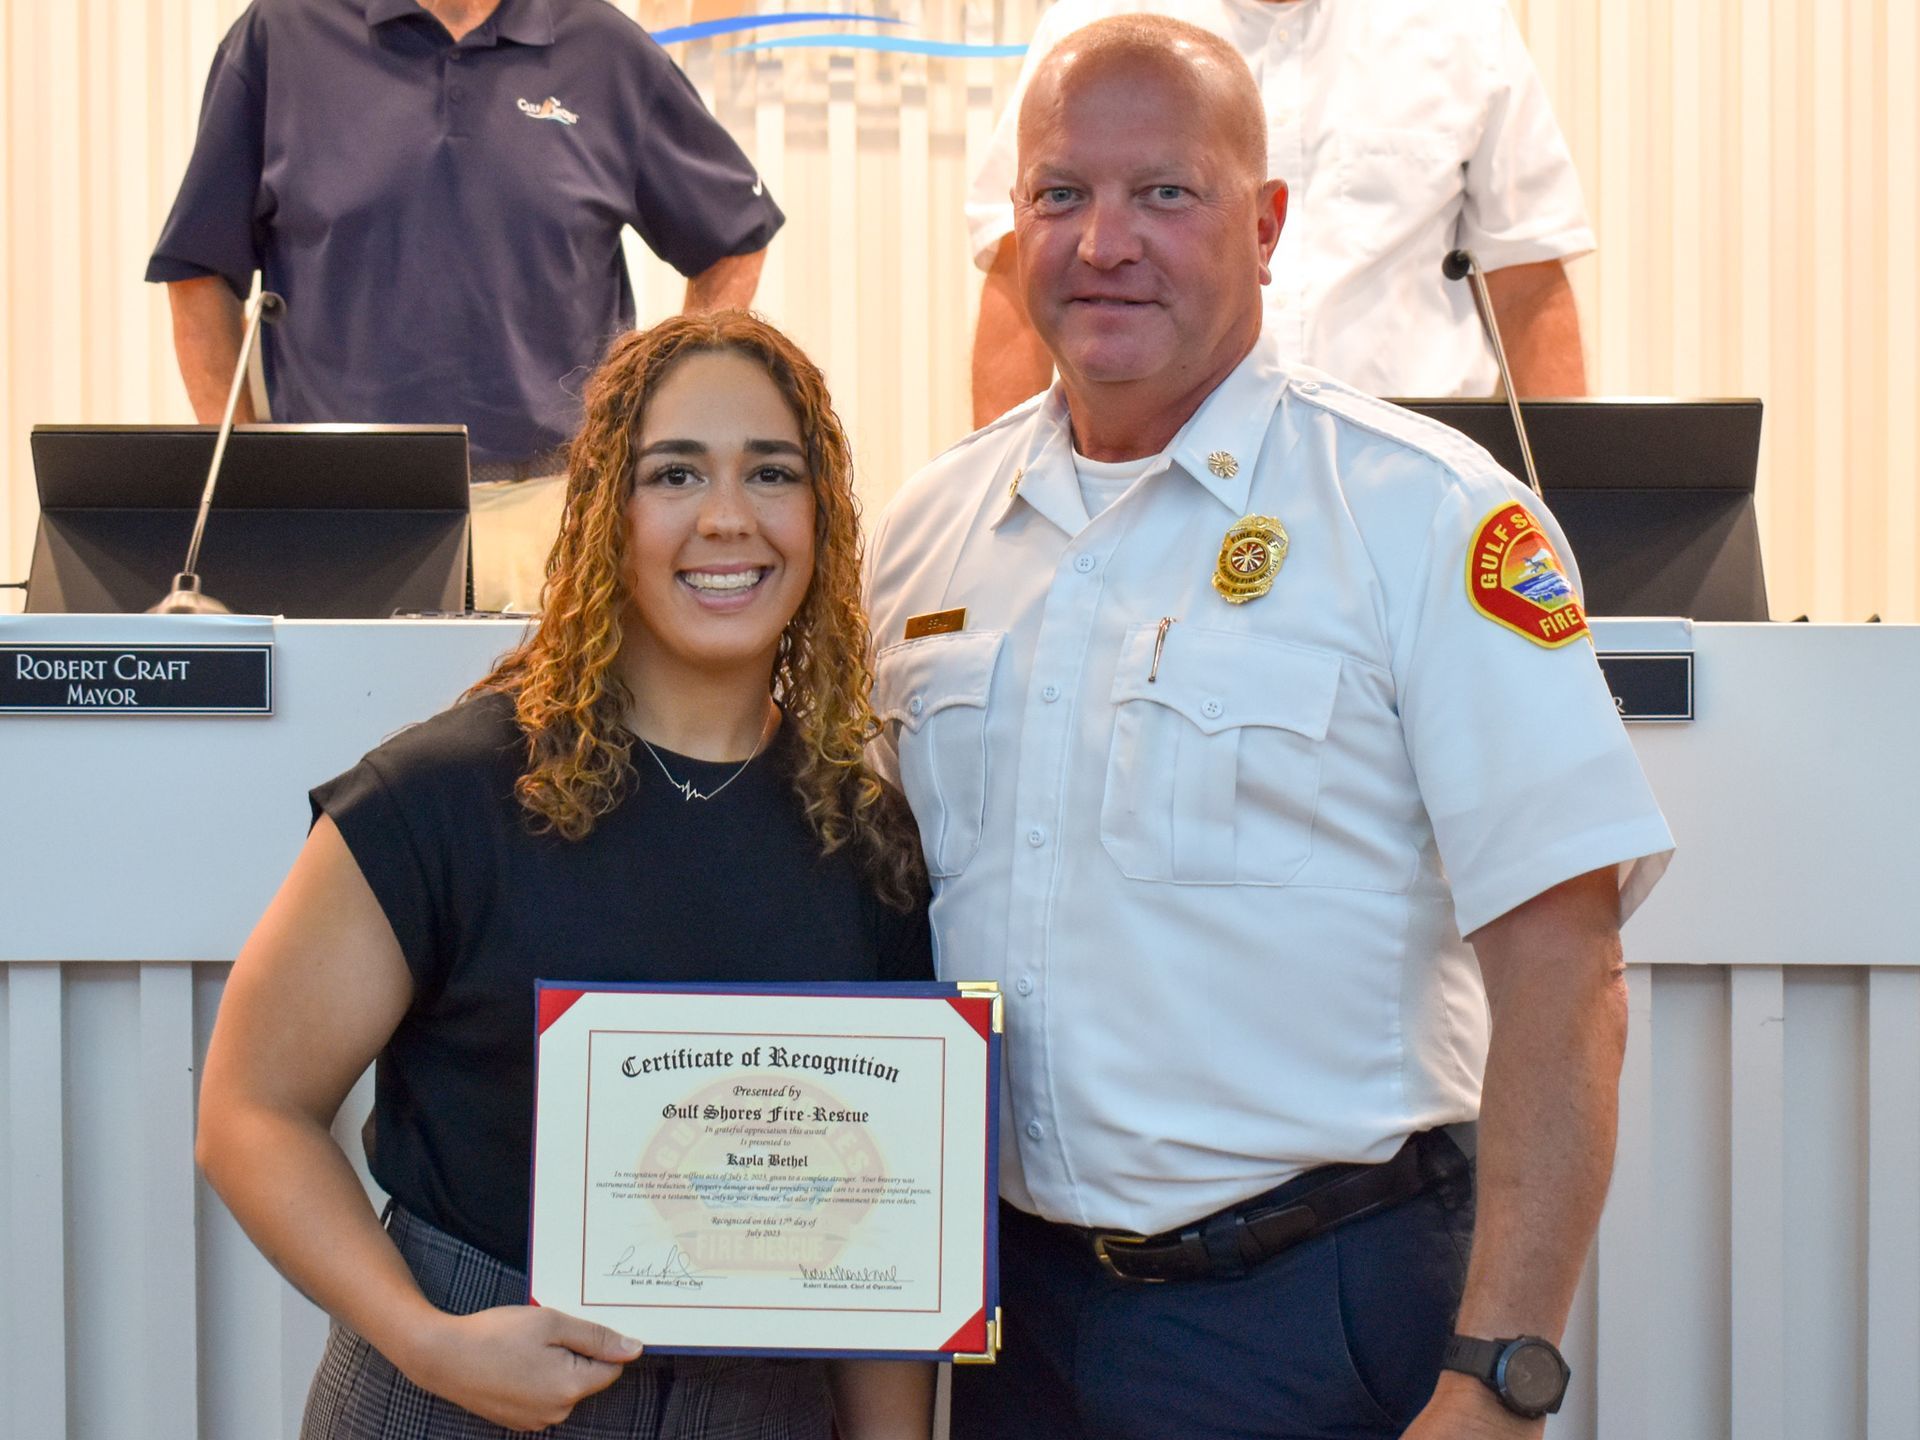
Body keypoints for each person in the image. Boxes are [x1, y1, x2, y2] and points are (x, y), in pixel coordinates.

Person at [865, 18, 1672, 1439]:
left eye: (1164, 193)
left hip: (1319, 1315)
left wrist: (1499, 1380)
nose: (1104, 241)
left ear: (1268, 223)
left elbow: (1567, 965)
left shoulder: (1425, 514)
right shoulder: (929, 538)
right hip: (1014, 1328)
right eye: (1061, 195)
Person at [197, 311, 935, 1439]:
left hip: (758, 1408)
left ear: (822, 517)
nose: (727, 518)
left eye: (771, 473)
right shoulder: (444, 796)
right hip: (458, 1390)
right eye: (674, 473)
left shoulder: (865, 835)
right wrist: (427, 1339)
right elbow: (251, 1109)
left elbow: (885, 1234)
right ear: (605, 514)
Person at [147, 0, 784, 612]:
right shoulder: (282, 36)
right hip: (334, 515)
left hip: (554, 512)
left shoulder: (604, 49)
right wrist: (251, 476)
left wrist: (657, 417)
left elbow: (731, 241)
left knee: (551, 727)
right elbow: (202, 273)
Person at [968, 0, 1592, 426]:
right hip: (1150, 477)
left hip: (1407, 482)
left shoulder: (1462, 25)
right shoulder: (1095, 22)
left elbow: (1525, 286)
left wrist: (1570, 515)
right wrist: (1006, 504)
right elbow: (1023, 277)